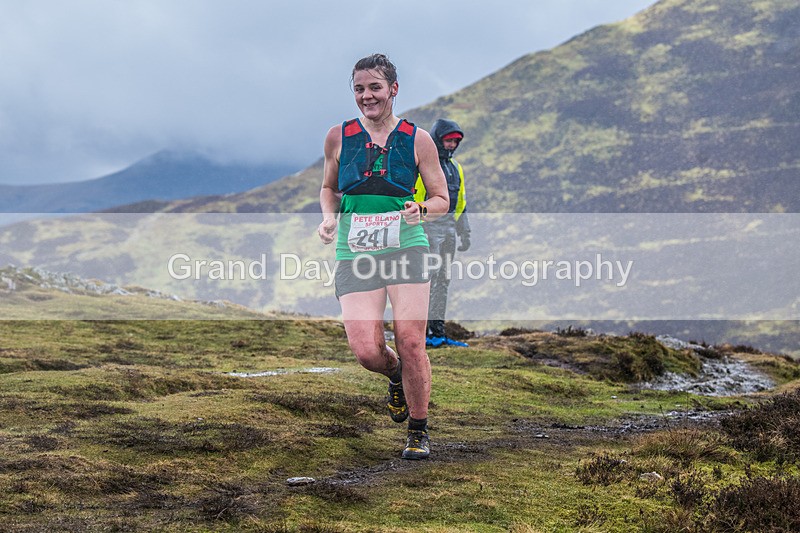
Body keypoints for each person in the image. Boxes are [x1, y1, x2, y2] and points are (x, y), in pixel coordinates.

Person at [318, 53, 449, 460]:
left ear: (393, 89)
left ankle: (418, 429)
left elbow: (442, 197)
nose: (366, 96)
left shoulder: (418, 138)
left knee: (411, 342)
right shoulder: (338, 136)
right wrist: (327, 218)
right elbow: (328, 188)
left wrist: (421, 209)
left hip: (406, 245)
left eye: (374, 87)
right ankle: (394, 375)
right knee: (367, 350)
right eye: (359, 88)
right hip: (355, 249)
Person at [413, 119, 471, 348]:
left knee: (443, 281)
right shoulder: (424, 165)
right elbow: (415, 198)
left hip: (448, 232)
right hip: (427, 229)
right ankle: (418, 334)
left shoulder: (456, 168)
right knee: (426, 280)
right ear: (438, 139)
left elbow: (462, 201)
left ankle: (437, 333)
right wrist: (417, 227)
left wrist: (464, 231)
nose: (452, 144)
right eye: (448, 140)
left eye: (456, 141)